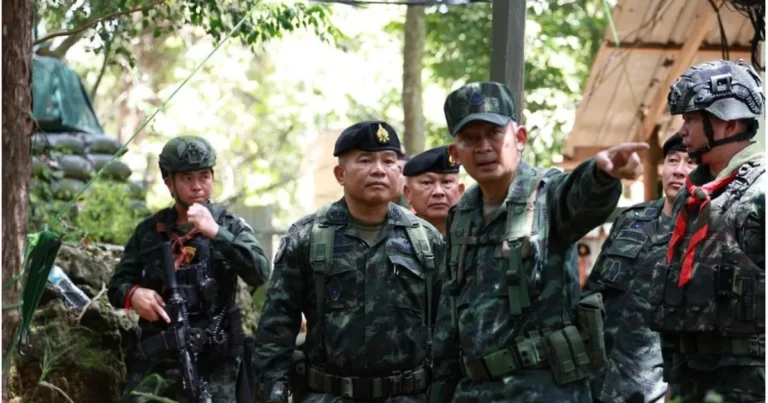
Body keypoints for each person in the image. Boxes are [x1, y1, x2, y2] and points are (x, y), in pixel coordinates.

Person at [429, 81, 648, 402]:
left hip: (544, 390)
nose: (483, 147)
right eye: (470, 139)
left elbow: (580, 195)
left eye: (493, 134)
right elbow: (450, 319)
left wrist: (602, 174)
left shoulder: (547, 194)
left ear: (519, 138)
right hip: (473, 391)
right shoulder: (461, 215)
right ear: (455, 153)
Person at [254, 121, 445, 403]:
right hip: (329, 395)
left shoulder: (425, 239)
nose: (378, 169)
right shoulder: (306, 237)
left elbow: (447, 328)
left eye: (388, 160)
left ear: (399, 172)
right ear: (340, 173)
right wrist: (273, 392)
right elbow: (276, 330)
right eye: (365, 160)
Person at [107, 135, 271, 402]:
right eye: (187, 179)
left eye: (204, 177)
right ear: (168, 182)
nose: (197, 187)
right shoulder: (150, 232)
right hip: (157, 358)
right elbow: (117, 286)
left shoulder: (228, 225)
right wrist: (134, 294)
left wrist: (217, 233)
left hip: (215, 363)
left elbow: (260, 271)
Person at [647, 59, 765, 403]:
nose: (683, 131)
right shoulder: (696, 196)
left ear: (728, 124)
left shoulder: (762, 192)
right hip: (690, 380)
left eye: (692, 119)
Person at [582, 133, 696, 403]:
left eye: (689, 163)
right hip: (594, 381)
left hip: (650, 391)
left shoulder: (705, 235)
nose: (679, 170)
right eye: (672, 161)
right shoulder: (631, 219)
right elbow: (591, 295)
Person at [403, 145, 465, 236]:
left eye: (447, 182)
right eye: (427, 183)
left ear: (460, 191)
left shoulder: (476, 232)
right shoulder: (394, 237)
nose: (438, 192)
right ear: (408, 193)